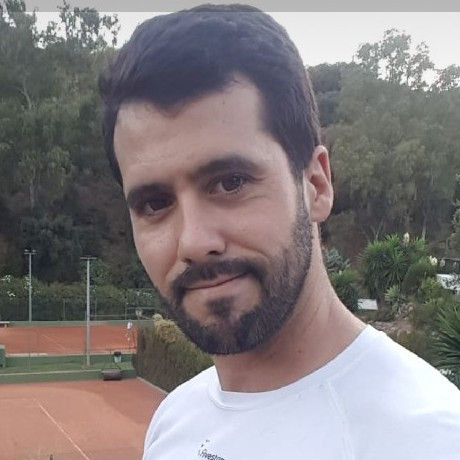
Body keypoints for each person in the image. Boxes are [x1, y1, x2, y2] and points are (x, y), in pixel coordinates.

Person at [98, 5, 460, 459]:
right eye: (155, 204)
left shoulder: (429, 440)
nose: (193, 241)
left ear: (316, 185)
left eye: (231, 183)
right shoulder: (175, 419)